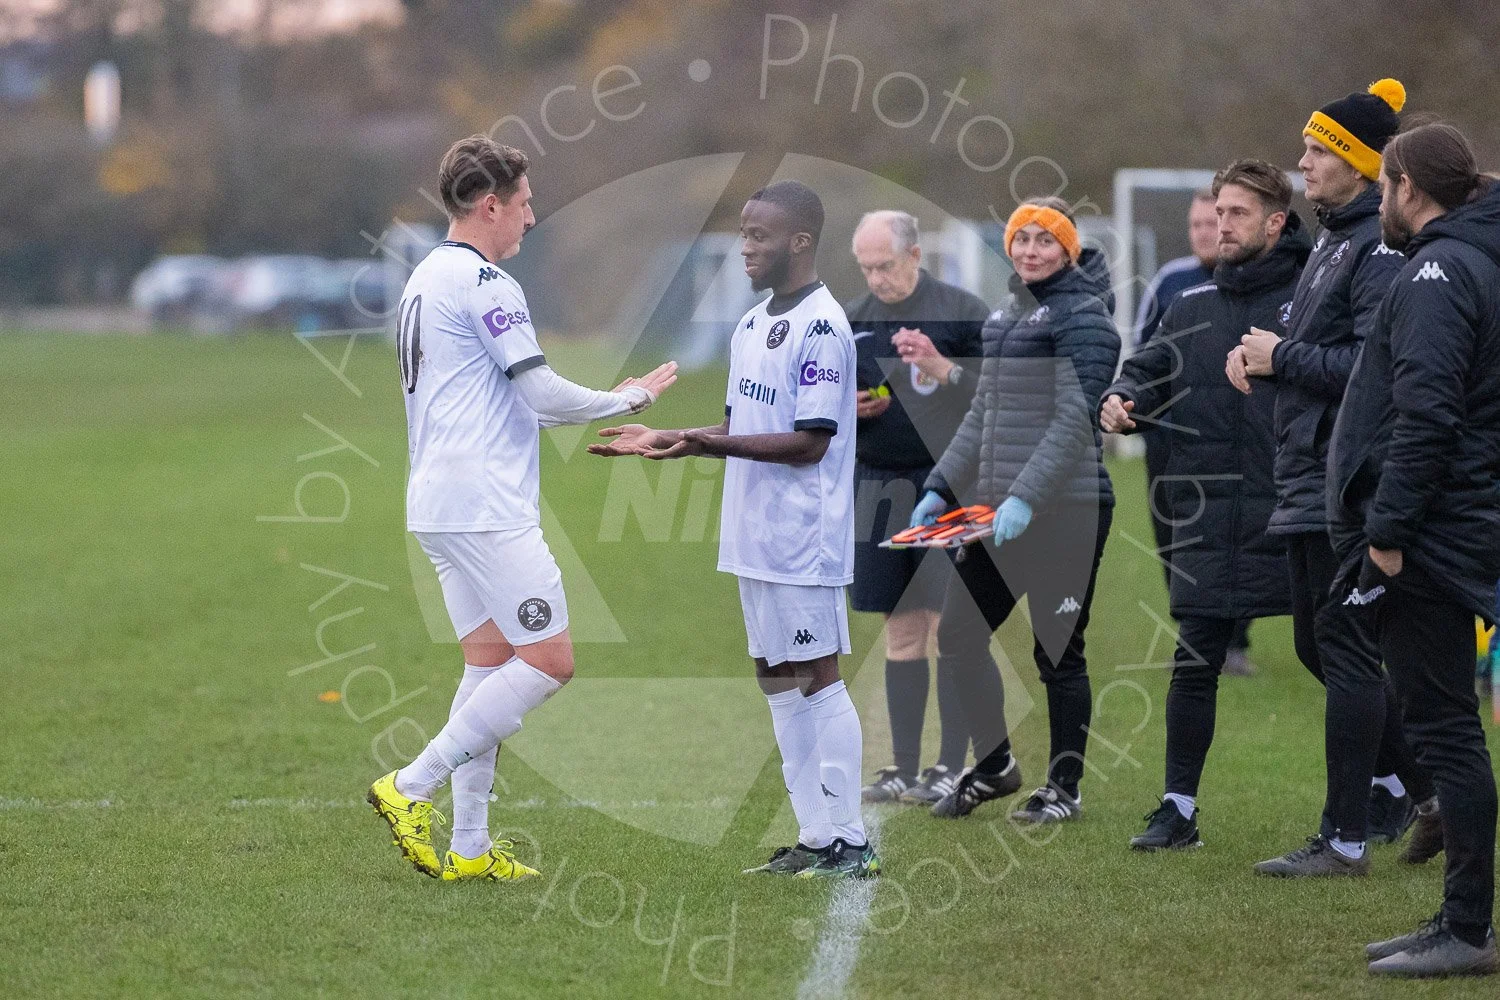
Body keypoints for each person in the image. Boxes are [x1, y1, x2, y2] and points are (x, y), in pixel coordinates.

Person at [366, 135, 677, 881]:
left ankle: (469, 848)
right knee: (550, 660)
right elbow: (539, 391)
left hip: (438, 502)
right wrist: (629, 398)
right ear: (491, 203)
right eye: (527, 203)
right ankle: (410, 786)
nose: (532, 219)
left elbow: (489, 397)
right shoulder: (484, 282)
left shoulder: (424, 277)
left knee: (491, 662)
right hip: (485, 507)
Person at [588, 181, 879, 879]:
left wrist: (700, 440)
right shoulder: (752, 325)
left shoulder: (823, 328)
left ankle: (851, 835)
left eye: (759, 235)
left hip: (803, 535)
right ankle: (815, 837)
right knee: (774, 675)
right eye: (744, 233)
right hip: (752, 535)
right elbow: (740, 429)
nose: (745, 246)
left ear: (800, 242)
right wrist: (673, 439)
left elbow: (809, 442)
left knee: (816, 674)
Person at [1240, 80, 1438, 878]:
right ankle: (1434, 799)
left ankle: (1347, 838)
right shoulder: (1332, 238)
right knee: (1320, 650)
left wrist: (1281, 359)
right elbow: (1316, 346)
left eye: (1318, 151)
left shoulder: (1380, 249)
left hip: (1345, 482)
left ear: (1359, 165)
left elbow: (1373, 368)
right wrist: (1263, 355)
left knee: (1348, 653)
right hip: (1304, 475)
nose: (1302, 163)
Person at [1330, 122, 1500, 978]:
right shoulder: (1466, 257)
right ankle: (1459, 920)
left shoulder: (1438, 268)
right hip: (1448, 525)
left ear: (1404, 185)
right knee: (1442, 724)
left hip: (1430, 535)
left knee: (1445, 730)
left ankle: (1468, 929)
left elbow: (1426, 415)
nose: (1380, 198)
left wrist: (1389, 534)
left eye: (1384, 182)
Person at [1105, 160, 1307, 851]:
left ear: (1277, 223)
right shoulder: (1191, 306)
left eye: (1238, 214)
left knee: (1334, 658)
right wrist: (1122, 398)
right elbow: (1147, 370)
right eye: (1218, 212)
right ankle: (1177, 809)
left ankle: (1400, 790)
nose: (1222, 225)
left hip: (1298, 511)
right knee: (1196, 662)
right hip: (1209, 517)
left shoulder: (1312, 300)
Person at [910, 197, 1120, 824]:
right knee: (959, 635)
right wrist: (942, 485)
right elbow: (983, 416)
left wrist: (1027, 496)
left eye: (1044, 240)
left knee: (1058, 653)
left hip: (1067, 513)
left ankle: (1064, 789)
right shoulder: (1004, 316)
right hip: (994, 512)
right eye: (1020, 238)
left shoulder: (1086, 319)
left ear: (1069, 248)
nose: (1030, 250)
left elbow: (1075, 419)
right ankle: (997, 765)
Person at [844, 209, 988, 806]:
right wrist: (850, 409)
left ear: (915, 255)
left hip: (952, 490)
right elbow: (821, 401)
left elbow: (999, 394)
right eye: (866, 268)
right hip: (876, 489)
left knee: (947, 627)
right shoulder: (850, 323)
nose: (876, 278)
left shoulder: (963, 311)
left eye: (885, 265)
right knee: (901, 632)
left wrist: (940, 368)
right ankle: (903, 767)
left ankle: (949, 767)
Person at [1135, 192, 1257, 677]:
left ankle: (1236, 642)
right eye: (1196, 224)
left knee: (1239, 530)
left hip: (1239, 434)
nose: (1205, 232)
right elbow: (1145, 356)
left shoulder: (1259, 282)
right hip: (1172, 435)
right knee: (1174, 533)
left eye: (1213, 222)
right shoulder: (1171, 281)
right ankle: (1193, 631)